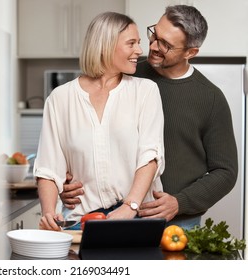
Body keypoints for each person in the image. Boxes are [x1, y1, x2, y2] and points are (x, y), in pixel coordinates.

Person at [60, 5, 238, 230]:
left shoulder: (210, 98)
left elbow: (226, 172)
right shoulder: (124, 72)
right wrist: (68, 180)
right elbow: (87, 133)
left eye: (166, 45)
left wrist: (179, 203)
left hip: (176, 223)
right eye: (154, 34)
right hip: (111, 213)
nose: (152, 46)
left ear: (190, 52)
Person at [33, 12, 165, 231]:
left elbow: (150, 156)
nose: (139, 51)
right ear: (106, 45)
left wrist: (129, 207)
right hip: (82, 222)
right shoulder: (61, 98)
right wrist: (49, 214)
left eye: (139, 43)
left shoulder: (145, 91)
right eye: (131, 43)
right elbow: (48, 168)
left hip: (138, 217)